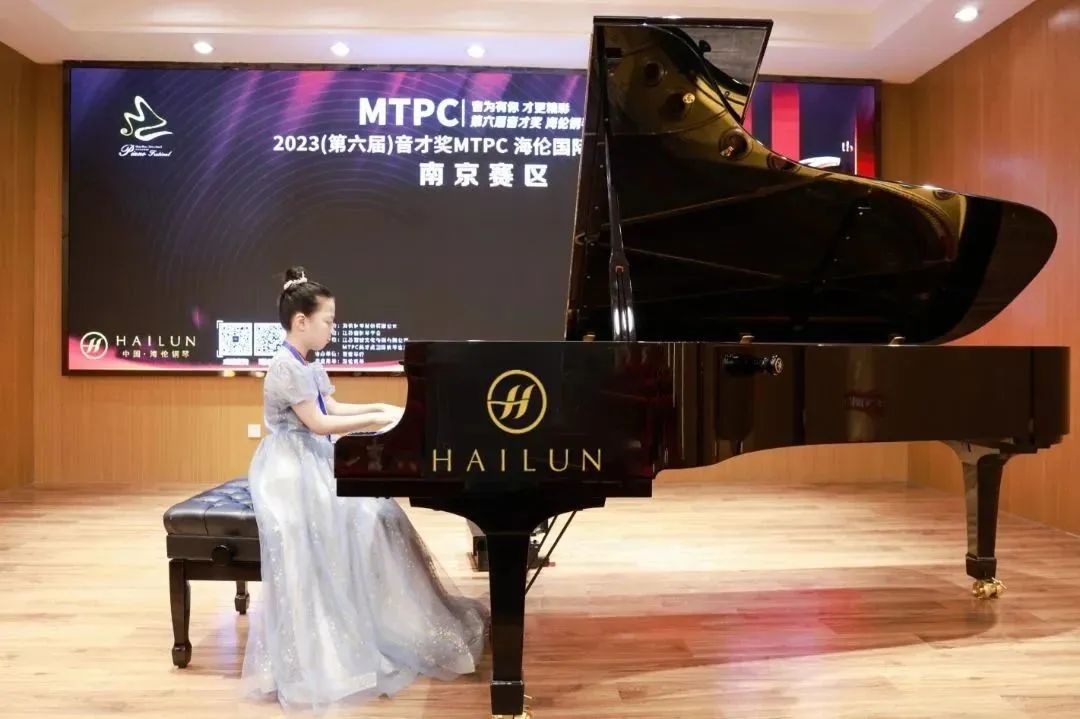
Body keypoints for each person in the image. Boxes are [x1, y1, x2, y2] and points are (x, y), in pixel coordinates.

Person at [240, 266, 489, 712]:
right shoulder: (285, 366)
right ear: (301, 321)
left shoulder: (307, 363)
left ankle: (390, 618)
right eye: (328, 320)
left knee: (381, 513)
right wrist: (375, 419)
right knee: (363, 517)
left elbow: (331, 406)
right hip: (290, 468)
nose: (332, 328)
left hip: (313, 458)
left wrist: (381, 407)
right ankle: (358, 627)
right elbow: (319, 424)